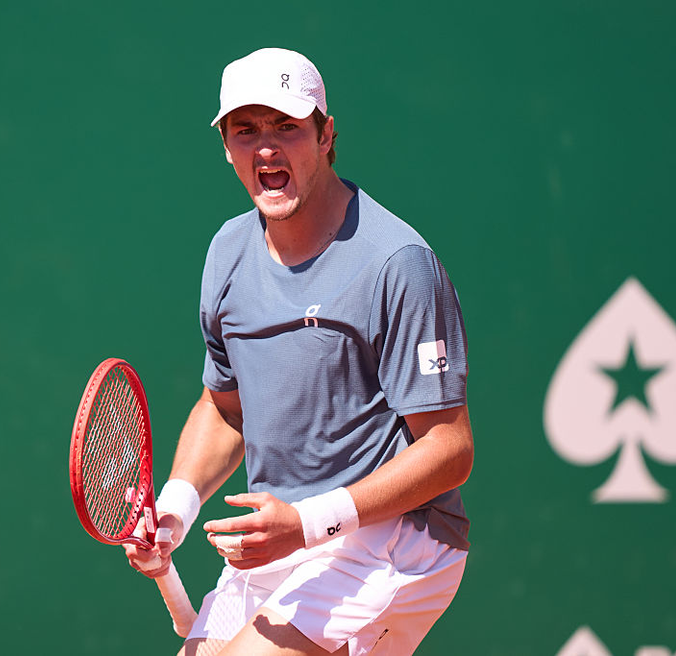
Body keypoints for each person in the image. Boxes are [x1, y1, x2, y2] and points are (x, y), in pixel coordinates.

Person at [125, 47, 474, 656]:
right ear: (227, 148)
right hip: (279, 543)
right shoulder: (227, 253)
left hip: (395, 540)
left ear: (326, 134)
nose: (266, 148)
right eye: (246, 130)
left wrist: (309, 523)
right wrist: (175, 509)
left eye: (286, 125)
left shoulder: (397, 263)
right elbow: (228, 408)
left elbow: (449, 448)